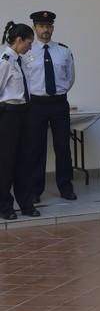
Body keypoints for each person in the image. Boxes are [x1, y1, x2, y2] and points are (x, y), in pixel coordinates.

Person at [23, 11, 76, 202]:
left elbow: (70, 78)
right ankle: (35, 190)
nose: (46, 30)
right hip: (36, 104)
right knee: (36, 148)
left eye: (49, 26)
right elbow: (24, 80)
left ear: (53, 28)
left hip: (59, 103)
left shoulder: (64, 51)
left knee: (63, 147)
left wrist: (57, 93)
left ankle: (66, 187)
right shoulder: (27, 52)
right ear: (35, 28)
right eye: (42, 26)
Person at [0, 22, 36, 220]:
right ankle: (5, 205)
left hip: (25, 112)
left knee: (24, 160)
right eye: (28, 42)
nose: (30, 46)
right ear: (19, 40)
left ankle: (26, 203)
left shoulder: (22, 61)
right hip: (9, 115)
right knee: (6, 162)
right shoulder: (5, 61)